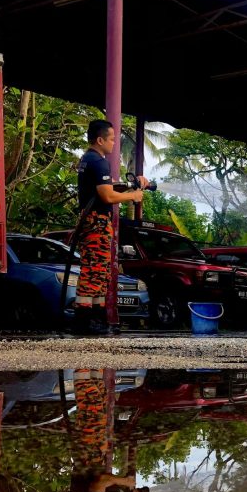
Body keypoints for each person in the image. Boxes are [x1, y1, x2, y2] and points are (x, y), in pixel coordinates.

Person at [73, 119, 147, 333]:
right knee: (95, 270)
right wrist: (132, 195)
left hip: (90, 220)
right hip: (97, 221)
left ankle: (94, 320)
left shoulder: (88, 159)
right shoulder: (99, 161)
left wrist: (131, 185)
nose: (115, 143)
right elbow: (106, 195)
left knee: (97, 270)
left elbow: (105, 186)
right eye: (112, 139)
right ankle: (87, 321)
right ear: (100, 139)